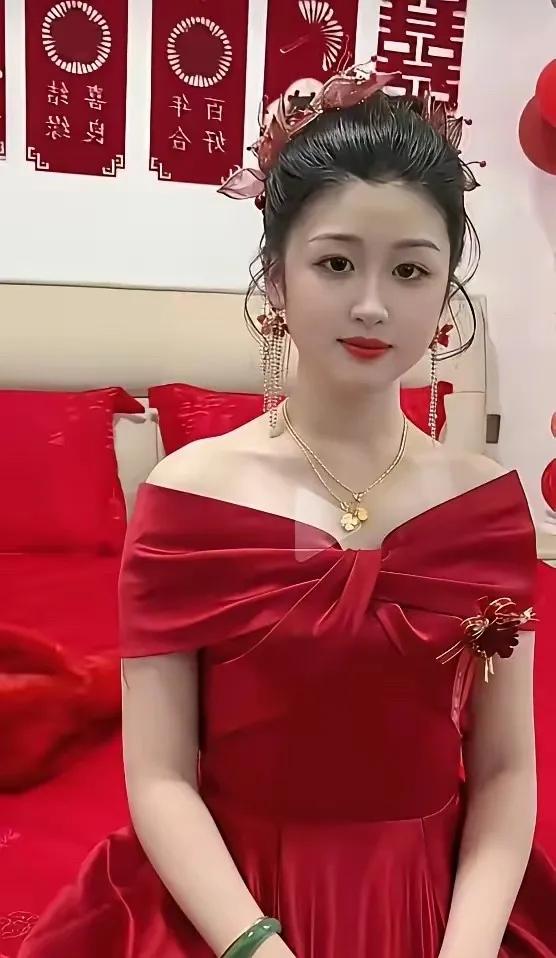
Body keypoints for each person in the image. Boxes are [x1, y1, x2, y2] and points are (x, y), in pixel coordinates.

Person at [21, 64, 556, 958]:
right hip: (236, 903)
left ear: (445, 296)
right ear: (276, 277)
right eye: (336, 262)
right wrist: (256, 947)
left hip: (435, 902)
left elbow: (504, 770)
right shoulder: (187, 501)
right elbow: (159, 776)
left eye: (411, 270)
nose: (373, 304)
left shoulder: (487, 510)